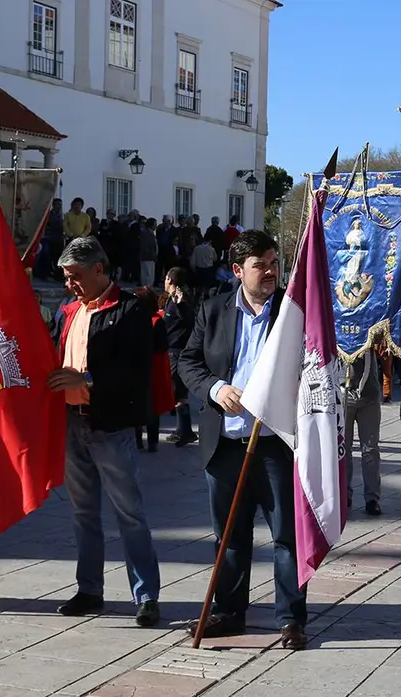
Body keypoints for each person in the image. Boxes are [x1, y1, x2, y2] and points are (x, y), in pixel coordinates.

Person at [177, 230, 307, 650]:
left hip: (274, 443)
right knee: (229, 534)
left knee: (285, 535)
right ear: (238, 270)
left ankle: (290, 619)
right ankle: (230, 612)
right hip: (226, 443)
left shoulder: (292, 310)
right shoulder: (213, 309)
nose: (270, 271)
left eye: (273, 262)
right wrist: (216, 389)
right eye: (260, 265)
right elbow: (188, 362)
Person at [41, 237, 160, 626]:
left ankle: (145, 595)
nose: (69, 284)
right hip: (73, 421)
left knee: (130, 512)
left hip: (110, 425)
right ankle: (89, 589)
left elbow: (136, 369)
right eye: (65, 277)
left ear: (98, 269)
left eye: (75, 276)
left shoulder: (129, 309)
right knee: (83, 513)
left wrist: (87, 377)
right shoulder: (68, 310)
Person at [343, 337, 383, 516]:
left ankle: (372, 498)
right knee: (344, 448)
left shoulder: (369, 325)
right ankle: (344, 493)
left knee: (370, 449)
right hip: (343, 394)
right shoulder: (338, 326)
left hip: (369, 395)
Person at [136, 286, 175, 453]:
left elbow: (162, 346)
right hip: (138, 367)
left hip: (153, 367)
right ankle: (138, 441)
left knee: (152, 406)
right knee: (137, 405)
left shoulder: (156, 320)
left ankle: (152, 442)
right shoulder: (134, 319)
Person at [162, 267, 198, 446]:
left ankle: (184, 431)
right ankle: (184, 430)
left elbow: (189, 320)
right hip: (172, 350)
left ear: (170, 279)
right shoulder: (171, 300)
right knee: (179, 393)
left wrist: (180, 304)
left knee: (177, 392)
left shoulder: (181, 302)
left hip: (176, 352)